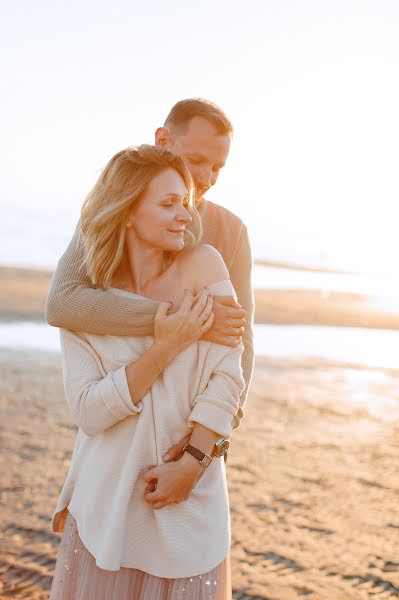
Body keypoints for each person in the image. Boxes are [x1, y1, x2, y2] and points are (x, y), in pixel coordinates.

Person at [50, 145, 245, 598]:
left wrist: (194, 464)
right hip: (108, 504)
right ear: (128, 211)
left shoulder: (204, 265)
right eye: (167, 203)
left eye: (185, 202)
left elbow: (227, 374)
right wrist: (168, 342)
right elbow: (90, 413)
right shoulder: (87, 303)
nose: (185, 216)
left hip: (186, 502)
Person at [46, 98, 254, 465]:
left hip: (193, 435)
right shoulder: (112, 213)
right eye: (196, 161)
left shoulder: (230, 231)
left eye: (217, 167)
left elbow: (240, 345)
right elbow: (63, 302)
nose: (205, 178)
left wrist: (209, 446)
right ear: (163, 140)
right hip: (119, 431)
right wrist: (184, 321)